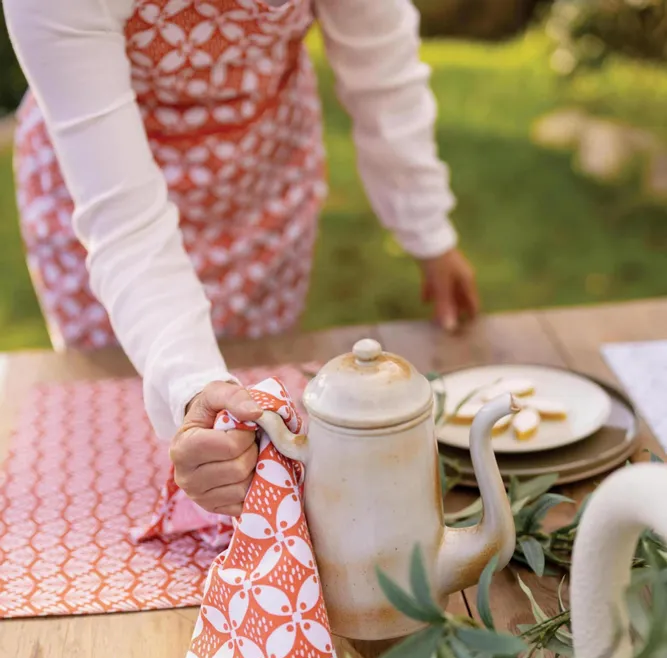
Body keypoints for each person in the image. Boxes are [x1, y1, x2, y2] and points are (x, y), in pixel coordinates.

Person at [6, 0, 479, 517]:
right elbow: (126, 222)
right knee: (118, 448)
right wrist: (192, 388)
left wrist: (426, 225)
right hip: (103, 190)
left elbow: (383, 80)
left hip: (263, 179)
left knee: (254, 415)